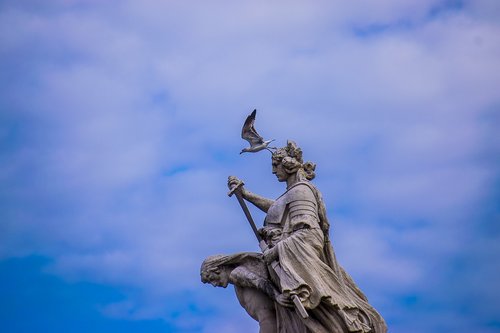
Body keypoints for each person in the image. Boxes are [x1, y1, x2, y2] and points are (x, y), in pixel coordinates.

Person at [228, 140, 387, 333]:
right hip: (282, 263)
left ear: (287, 164)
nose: (272, 171)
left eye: (275, 165)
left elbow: (310, 234)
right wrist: (245, 194)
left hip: (295, 265)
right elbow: (276, 208)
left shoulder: (302, 191)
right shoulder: (292, 193)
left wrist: (276, 251)